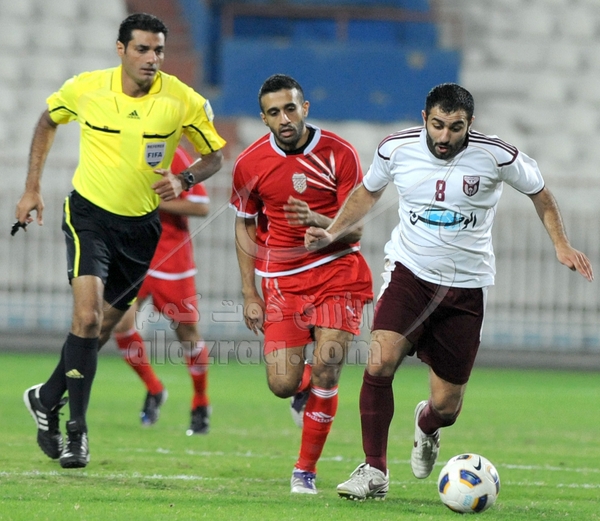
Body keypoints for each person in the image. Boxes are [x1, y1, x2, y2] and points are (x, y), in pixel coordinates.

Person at [305, 83, 594, 500]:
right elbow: (368, 190)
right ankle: (374, 470)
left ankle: (426, 424)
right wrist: (332, 232)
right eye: (438, 125)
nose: (444, 136)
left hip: (466, 287)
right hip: (409, 273)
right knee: (379, 361)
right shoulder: (396, 149)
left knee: (447, 406)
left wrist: (561, 244)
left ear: (469, 124)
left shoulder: (497, 155)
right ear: (425, 118)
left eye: (455, 128)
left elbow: (540, 193)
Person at [17, 13, 226, 469]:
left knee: (101, 330)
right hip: (88, 216)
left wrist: (185, 178)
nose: (152, 58)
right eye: (142, 49)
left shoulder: (182, 99)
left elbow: (214, 156)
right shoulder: (88, 88)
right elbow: (47, 121)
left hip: (141, 229)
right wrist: (32, 188)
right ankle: (76, 433)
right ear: (121, 49)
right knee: (87, 317)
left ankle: (46, 396)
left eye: (159, 50)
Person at [230, 74, 373, 494]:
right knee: (281, 384)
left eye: (290, 108)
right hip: (282, 281)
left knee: (328, 367)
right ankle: (302, 388)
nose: (284, 119)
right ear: (264, 119)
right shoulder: (250, 164)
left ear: (304, 108)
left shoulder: (340, 154)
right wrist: (249, 291)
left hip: (337, 271)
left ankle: (304, 470)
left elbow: (357, 227)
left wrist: (320, 223)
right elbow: (245, 225)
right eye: (274, 112)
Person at [112, 144, 212, 435]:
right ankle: (154, 388)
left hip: (171, 258)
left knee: (187, 335)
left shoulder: (172, 153)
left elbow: (201, 206)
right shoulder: (118, 147)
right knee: (120, 324)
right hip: (133, 255)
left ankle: (200, 401)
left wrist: (153, 203)